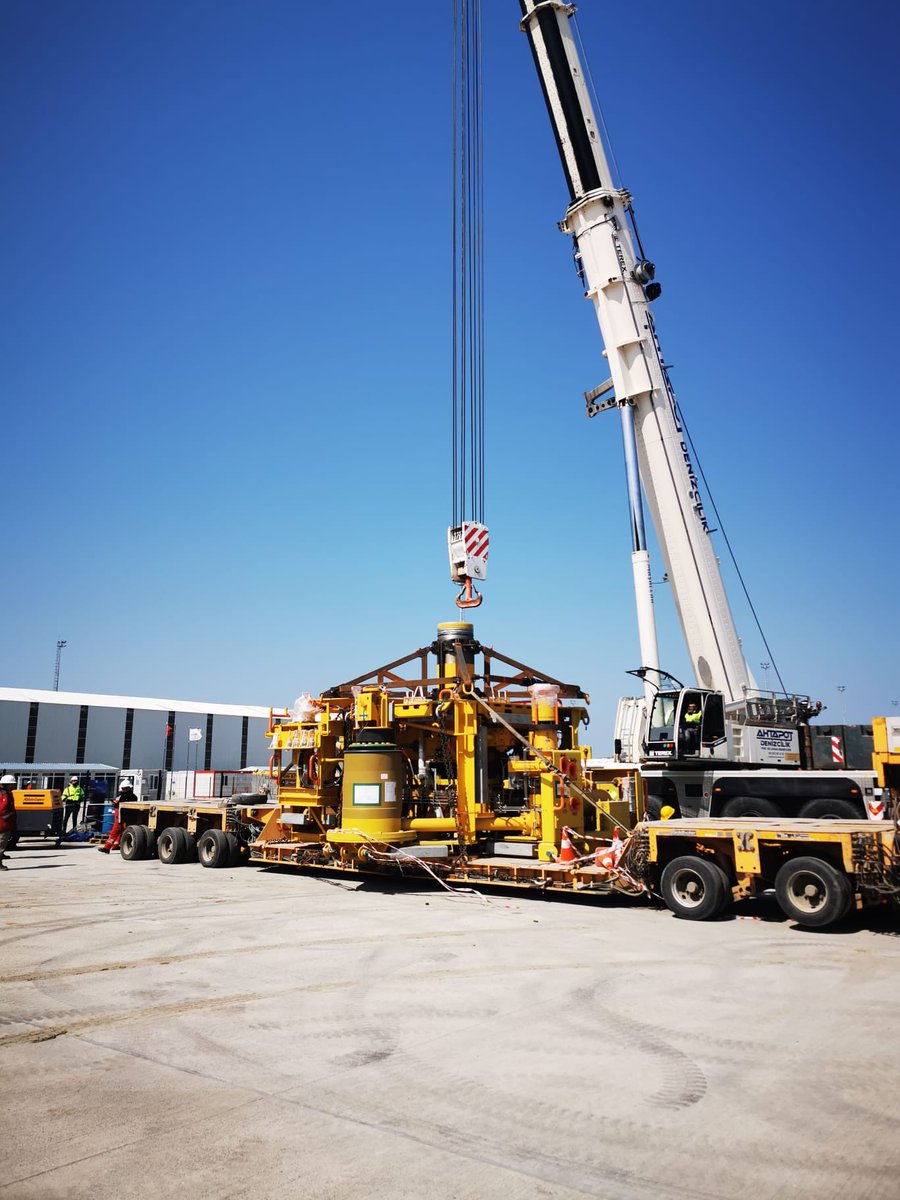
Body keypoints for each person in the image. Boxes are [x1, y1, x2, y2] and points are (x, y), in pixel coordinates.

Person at [98, 778, 134, 853]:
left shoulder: (121, 795)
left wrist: (114, 803)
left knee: (118, 831)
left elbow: (115, 803)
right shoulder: (132, 796)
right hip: (124, 815)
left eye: (125, 788)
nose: (124, 789)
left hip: (122, 814)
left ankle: (110, 847)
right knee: (120, 830)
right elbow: (115, 803)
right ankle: (112, 846)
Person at [0, 775, 17, 870]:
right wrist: (9, 816)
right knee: (1, 845)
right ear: (7, 784)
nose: (14, 786)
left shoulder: (7, 793)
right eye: (12, 784)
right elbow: (3, 809)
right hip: (3, 824)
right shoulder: (4, 794)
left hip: (6, 823)